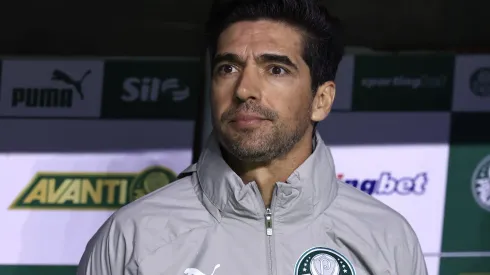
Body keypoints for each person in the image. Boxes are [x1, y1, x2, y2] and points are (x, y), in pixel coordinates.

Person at [77, 0, 428, 274]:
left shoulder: (386, 238)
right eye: (227, 68)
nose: (245, 89)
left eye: (276, 69)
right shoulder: (133, 236)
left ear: (321, 100)